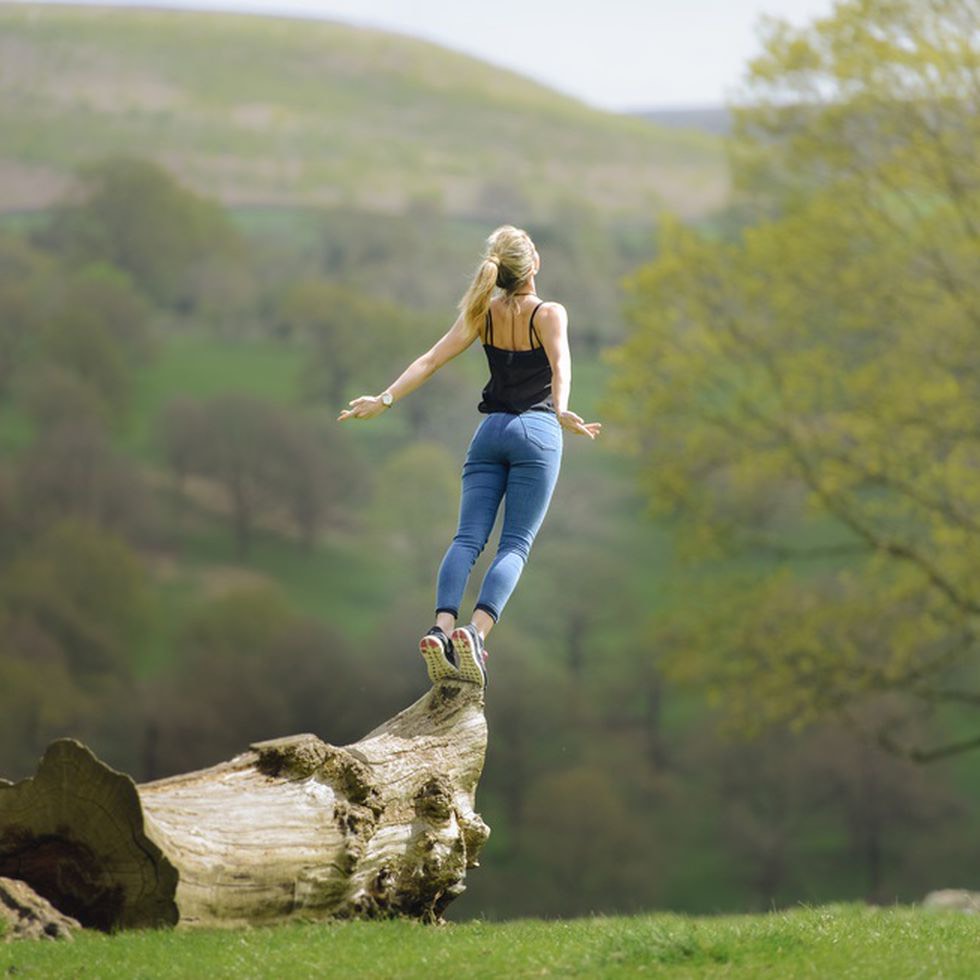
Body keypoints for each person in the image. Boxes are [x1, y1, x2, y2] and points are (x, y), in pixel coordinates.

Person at [338, 225, 601, 687]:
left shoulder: (484, 313)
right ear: (533, 265)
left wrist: (384, 400)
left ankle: (439, 630)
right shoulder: (550, 313)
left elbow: (430, 360)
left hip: (489, 434)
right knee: (515, 544)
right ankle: (475, 635)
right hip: (536, 433)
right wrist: (560, 410)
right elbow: (561, 364)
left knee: (466, 540)